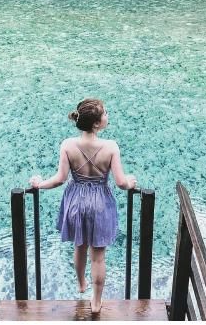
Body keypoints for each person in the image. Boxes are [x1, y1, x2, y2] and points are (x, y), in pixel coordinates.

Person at [29, 98, 137, 313]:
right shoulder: (111, 147)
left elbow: (59, 179)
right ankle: (96, 302)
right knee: (98, 256)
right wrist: (131, 182)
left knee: (79, 246)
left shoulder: (68, 145)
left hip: (76, 200)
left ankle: (81, 284)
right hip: (100, 203)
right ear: (96, 124)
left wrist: (38, 184)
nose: (108, 115)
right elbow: (121, 183)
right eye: (105, 113)